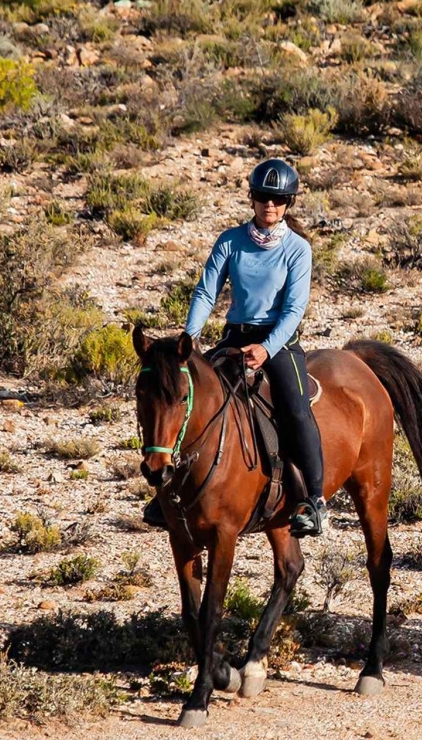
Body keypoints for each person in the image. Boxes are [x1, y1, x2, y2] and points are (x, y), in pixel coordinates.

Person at [142, 157, 326, 536]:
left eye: (277, 199)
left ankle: (314, 500)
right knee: (188, 396)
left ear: (289, 203)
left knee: (294, 406)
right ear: (252, 198)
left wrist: (267, 349)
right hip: (235, 337)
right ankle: (170, 489)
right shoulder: (230, 241)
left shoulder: (298, 249)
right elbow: (207, 291)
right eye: (262, 197)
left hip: (279, 341)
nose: (269, 205)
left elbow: (294, 309)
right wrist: (190, 338)